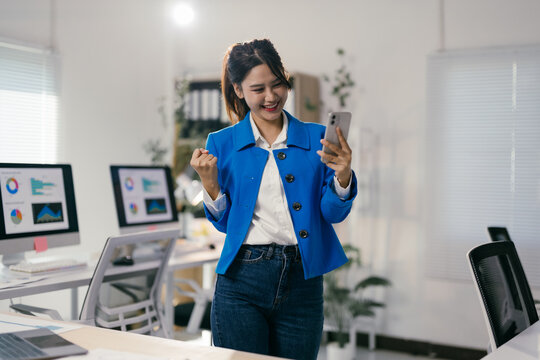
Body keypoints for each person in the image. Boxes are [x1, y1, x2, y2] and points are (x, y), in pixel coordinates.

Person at [190, 39, 357, 360]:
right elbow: (226, 224)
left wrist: (343, 176)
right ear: (238, 90)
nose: (271, 97)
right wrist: (210, 186)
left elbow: (332, 214)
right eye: (258, 89)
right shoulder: (221, 143)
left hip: (303, 280)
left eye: (277, 84)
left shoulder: (317, 137)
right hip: (242, 281)